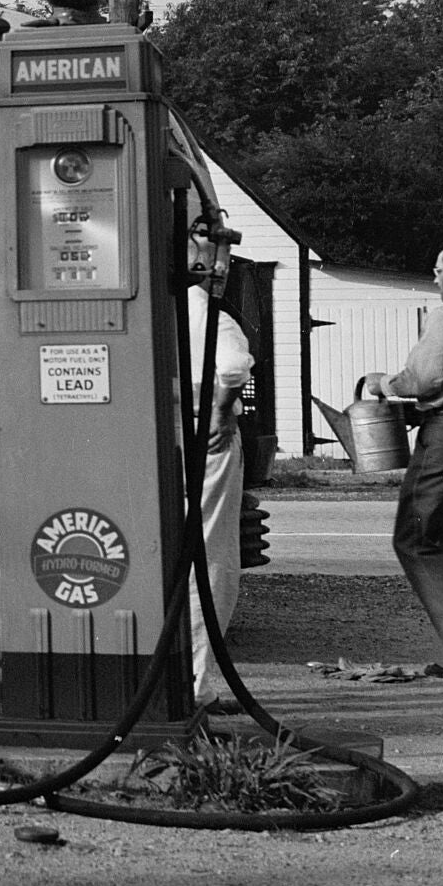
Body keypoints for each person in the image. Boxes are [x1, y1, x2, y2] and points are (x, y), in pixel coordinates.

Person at [365, 240, 443, 687]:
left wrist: (383, 382)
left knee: (415, 536)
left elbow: (424, 378)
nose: (434, 278)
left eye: (438, 271)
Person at [185, 233, 254, 711]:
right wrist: (221, 411)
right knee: (209, 557)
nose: (221, 266)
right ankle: (196, 685)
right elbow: (231, 368)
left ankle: (165, 681)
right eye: (212, 254)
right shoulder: (212, 316)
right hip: (204, 433)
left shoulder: (148, 311)